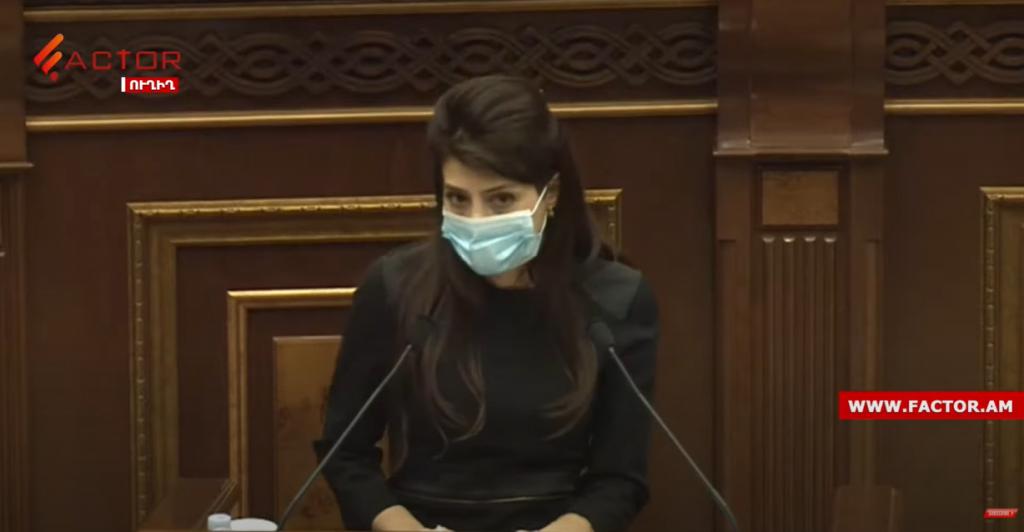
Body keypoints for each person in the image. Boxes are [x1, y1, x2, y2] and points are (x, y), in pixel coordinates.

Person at [314, 74, 660, 532]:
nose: (476, 221)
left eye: (501, 200)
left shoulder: (616, 299)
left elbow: (620, 479)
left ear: (550, 195)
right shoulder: (395, 287)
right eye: (458, 199)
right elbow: (346, 453)